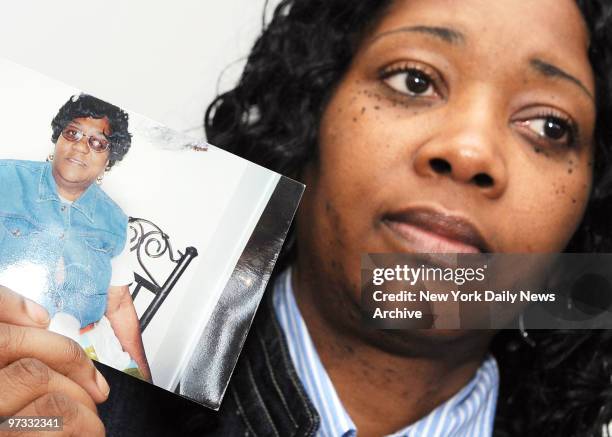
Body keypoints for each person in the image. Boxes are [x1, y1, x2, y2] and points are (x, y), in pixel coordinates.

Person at [2, 0, 612, 436]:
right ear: (309, 112)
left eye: (550, 126)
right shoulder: (63, 408)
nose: (470, 150)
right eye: (414, 79)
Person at [0, 94, 152, 383]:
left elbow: (118, 304)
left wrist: (146, 383)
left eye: (97, 142)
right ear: (58, 138)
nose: (81, 146)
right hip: (17, 344)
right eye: (73, 133)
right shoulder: (5, 179)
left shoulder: (115, 221)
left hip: (94, 351)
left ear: (109, 159)